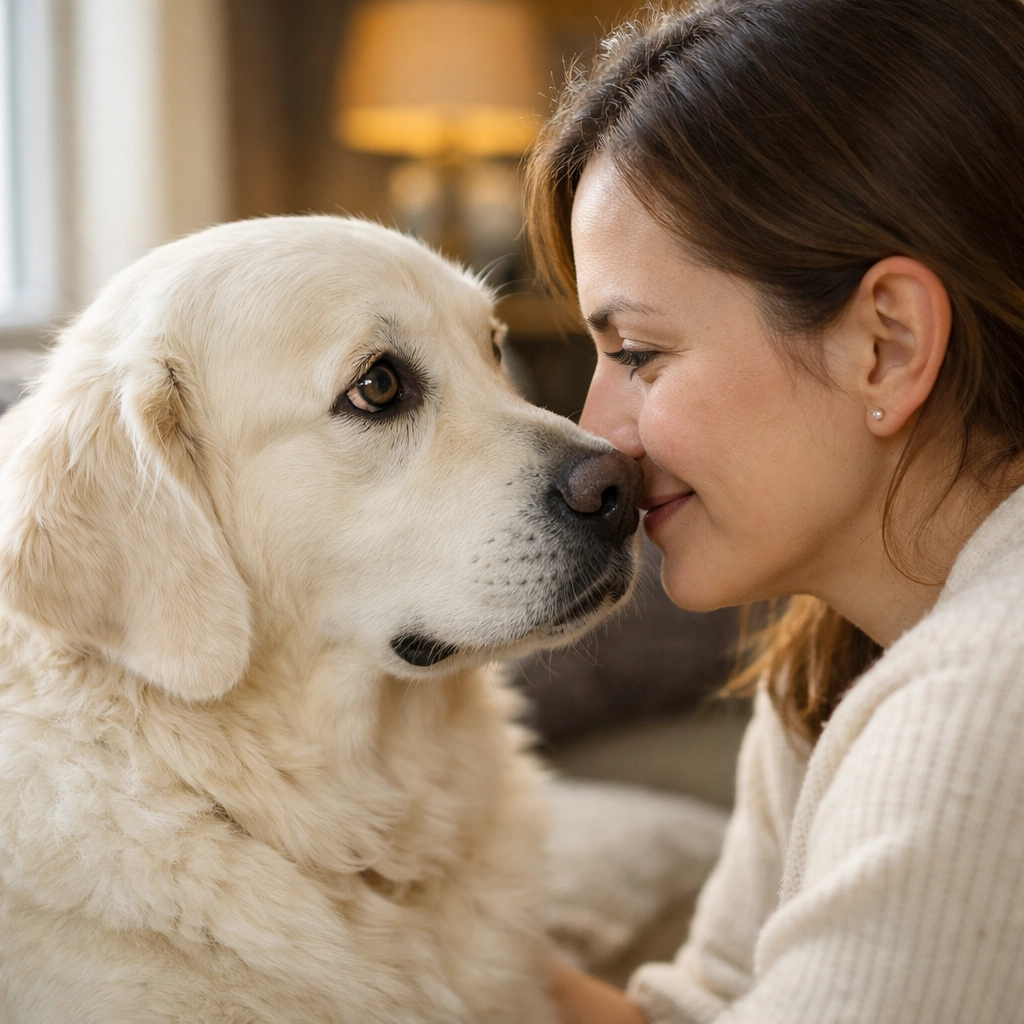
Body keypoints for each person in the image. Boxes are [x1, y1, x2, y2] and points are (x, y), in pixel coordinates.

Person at [524, 0, 1024, 1021]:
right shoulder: (831, 656)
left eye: (639, 353)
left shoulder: (988, 696)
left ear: (884, 344)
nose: (596, 433)